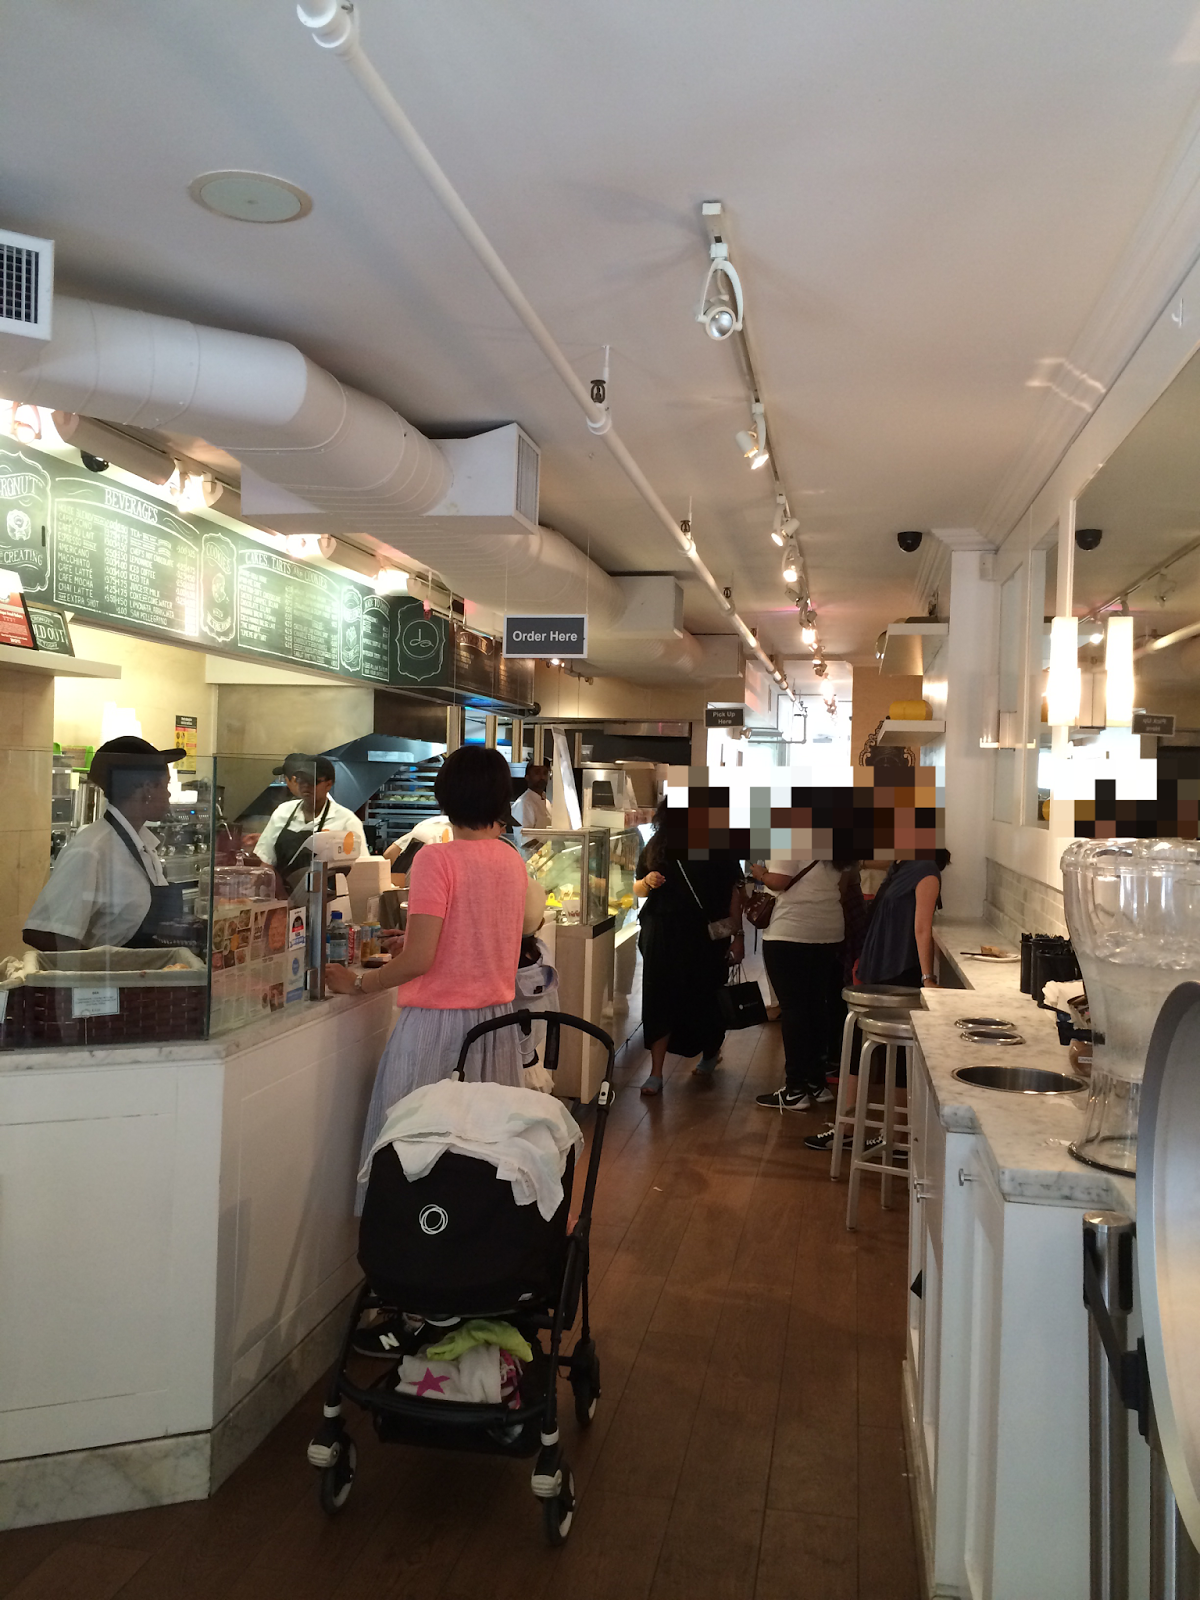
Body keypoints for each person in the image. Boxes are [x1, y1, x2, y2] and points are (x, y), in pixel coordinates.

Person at [325, 745, 547, 1200]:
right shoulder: (511, 858)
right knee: (483, 1158)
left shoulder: (436, 859)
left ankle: (409, 1239)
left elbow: (420, 961)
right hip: (496, 1028)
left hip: (437, 1030)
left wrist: (359, 982)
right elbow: (483, 938)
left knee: (415, 1154)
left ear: (445, 795)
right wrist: (416, 942)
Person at [803, 849, 951, 1153]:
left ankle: (882, 1135)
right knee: (866, 1051)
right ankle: (872, 1132)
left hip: (900, 973)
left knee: (883, 1055)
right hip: (880, 970)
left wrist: (927, 978)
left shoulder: (925, 870)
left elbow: (922, 927)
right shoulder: (900, 866)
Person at [22, 736, 186, 951]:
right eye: (165, 785)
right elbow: (42, 933)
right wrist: (101, 967)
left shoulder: (143, 845)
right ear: (147, 789)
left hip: (146, 970)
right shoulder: (91, 849)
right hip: (116, 973)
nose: (168, 794)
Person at [633, 798, 744, 1097]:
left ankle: (710, 1052)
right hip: (663, 932)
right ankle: (656, 1071)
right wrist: (647, 882)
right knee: (659, 999)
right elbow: (637, 888)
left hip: (703, 936)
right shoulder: (658, 845)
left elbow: (735, 892)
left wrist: (738, 935)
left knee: (704, 997)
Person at [748, 855, 850, 1112]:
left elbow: (779, 881)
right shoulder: (838, 838)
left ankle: (795, 1089)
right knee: (816, 1005)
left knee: (793, 1009)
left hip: (791, 930)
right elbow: (843, 883)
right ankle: (817, 1083)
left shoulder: (791, 835)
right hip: (829, 929)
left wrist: (760, 874)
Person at [254, 753, 366, 897]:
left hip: (326, 901)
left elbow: (361, 870)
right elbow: (267, 861)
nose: (306, 786)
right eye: (302, 780)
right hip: (282, 897)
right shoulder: (283, 811)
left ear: (328, 784)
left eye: (313, 782)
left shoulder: (346, 821)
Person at [510, 763, 551, 851]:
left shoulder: (546, 802)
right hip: (530, 858)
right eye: (537, 773)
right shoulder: (523, 803)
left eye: (545, 773)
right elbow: (525, 839)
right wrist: (547, 850)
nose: (542, 777)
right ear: (527, 777)